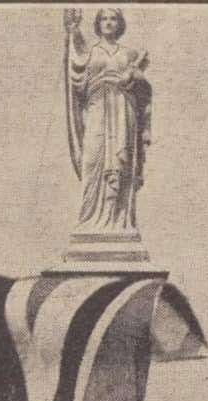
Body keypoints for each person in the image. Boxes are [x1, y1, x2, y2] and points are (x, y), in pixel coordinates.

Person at [64, 7, 151, 240]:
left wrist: (134, 76)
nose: (109, 22)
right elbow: (77, 68)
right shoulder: (91, 51)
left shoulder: (130, 54)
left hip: (124, 111)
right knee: (92, 162)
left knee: (121, 166)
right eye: (104, 18)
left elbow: (145, 91)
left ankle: (120, 223)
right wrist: (73, 32)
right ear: (98, 23)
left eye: (113, 19)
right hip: (97, 110)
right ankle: (89, 222)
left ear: (119, 23)